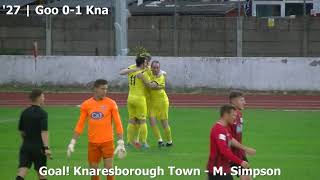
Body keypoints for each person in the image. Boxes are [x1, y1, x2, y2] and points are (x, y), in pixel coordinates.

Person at [67, 79, 125, 180]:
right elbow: (80, 124)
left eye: (106, 89)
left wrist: (121, 142)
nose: (105, 91)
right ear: (95, 89)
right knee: (94, 172)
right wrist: (72, 142)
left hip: (107, 142)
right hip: (93, 143)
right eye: (102, 89)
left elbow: (118, 123)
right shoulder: (86, 104)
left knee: (109, 170)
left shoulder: (111, 103)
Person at [120, 56, 162, 148]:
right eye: (146, 63)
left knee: (131, 121)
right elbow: (150, 85)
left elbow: (122, 72)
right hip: (139, 99)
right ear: (142, 63)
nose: (147, 64)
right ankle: (143, 143)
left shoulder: (131, 69)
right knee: (143, 121)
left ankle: (129, 142)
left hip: (130, 98)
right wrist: (160, 84)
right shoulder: (143, 73)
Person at [207, 105, 255, 180]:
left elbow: (231, 139)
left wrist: (245, 148)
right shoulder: (219, 129)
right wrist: (240, 162)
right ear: (226, 115)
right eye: (233, 115)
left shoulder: (225, 128)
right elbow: (224, 150)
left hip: (223, 168)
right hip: (218, 169)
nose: (235, 118)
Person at [16, 89, 51, 180]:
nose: (44, 98)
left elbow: (22, 131)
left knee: (22, 172)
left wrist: (27, 142)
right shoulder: (43, 114)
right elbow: (44, 131)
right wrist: (46, 148)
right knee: (42, 174)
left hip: (26, 146)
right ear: (38, 98)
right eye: (43, 96)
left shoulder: (24, 112)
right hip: (39, 148)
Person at [149, 60, 173, 147]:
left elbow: (152, 86)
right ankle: (160, 140)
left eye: (157, 68)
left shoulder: (161, 76)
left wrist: (146, 82)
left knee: (164, 122)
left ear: (159, 68)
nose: (155, 69)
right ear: (151, 68)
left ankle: (169, 141)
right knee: (152, 121)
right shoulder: (149, 72)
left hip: (162, 101)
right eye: (154, 67)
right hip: (152, 102)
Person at [229, 91, 251, 180]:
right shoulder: (230, 116)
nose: (244, 102)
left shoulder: (239, 114)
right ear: (233, 101)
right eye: (241, 100)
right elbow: (227, 136)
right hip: (229, 152)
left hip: (238, 152)